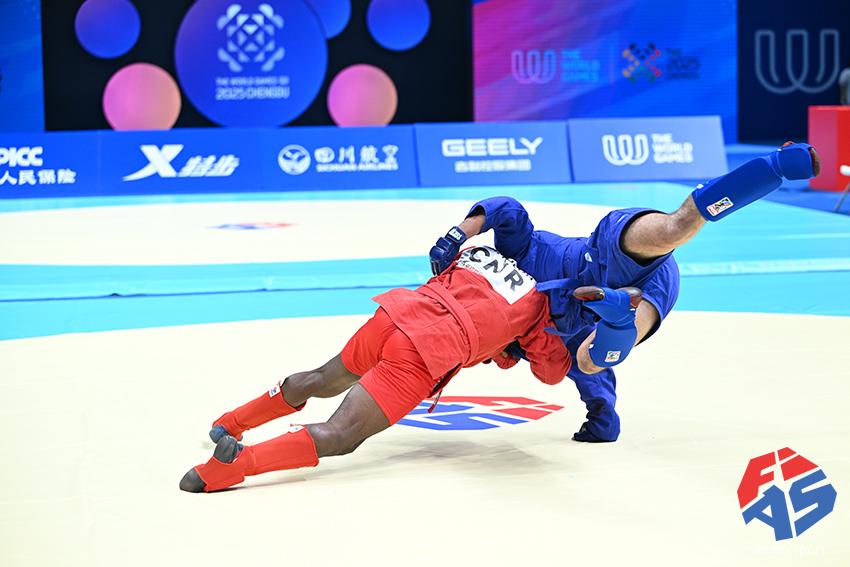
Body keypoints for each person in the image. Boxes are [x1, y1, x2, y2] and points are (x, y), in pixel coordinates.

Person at [429, 142, 820, 443]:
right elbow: (595, 381)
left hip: (604, 256)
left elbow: (506, 209)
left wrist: (457, 233)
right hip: (617, 300)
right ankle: (618, 315)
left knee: (675, 229)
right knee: (591, 360)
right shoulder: (539, 340)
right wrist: (602, 422)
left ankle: (775, 165)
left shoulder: (512, 257)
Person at [180, 243, 641, 493]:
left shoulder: (485, 255)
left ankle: (231, 422)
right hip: (424, 351)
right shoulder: (541, 309)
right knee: (342, 435)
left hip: (395, 315)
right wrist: (548, 338)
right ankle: (232, 466)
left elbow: (453, 271)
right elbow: (551, 372)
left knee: (323, 379)